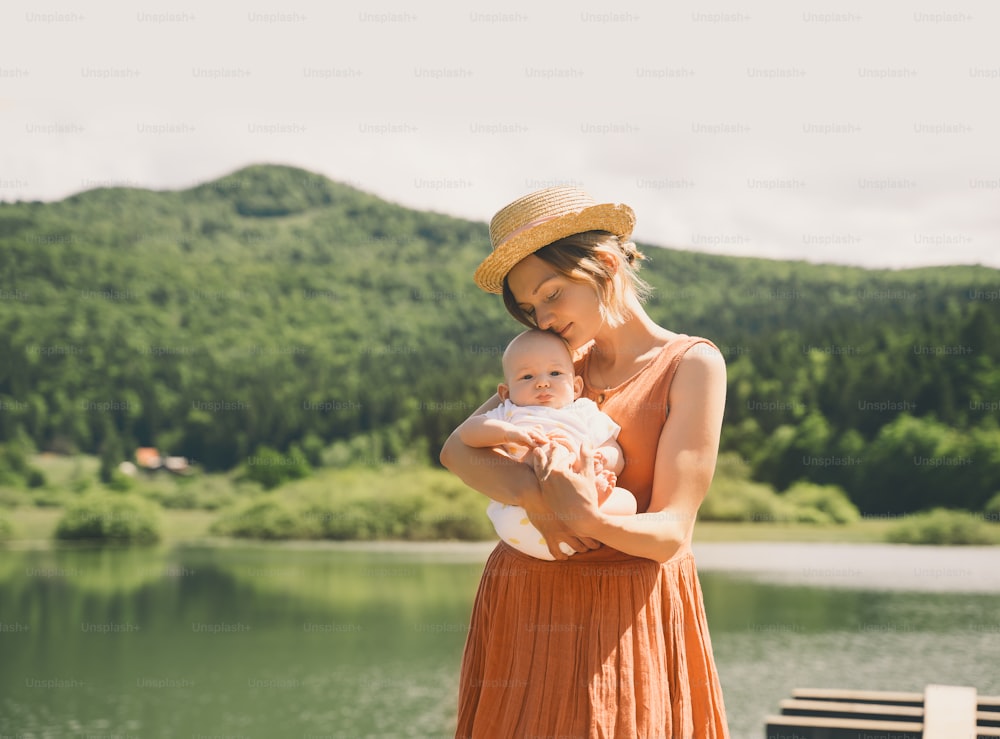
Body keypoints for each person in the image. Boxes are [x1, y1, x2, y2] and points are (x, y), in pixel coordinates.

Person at [440, 185, 731, 737]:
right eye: (529, 309)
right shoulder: (556, 361)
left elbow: (672, 533)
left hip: (625, 614)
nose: (542, 319)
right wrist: (538, 499)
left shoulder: (691, 363)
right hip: (525, 599)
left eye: (551, 294)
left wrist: (585, 518)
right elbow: (457, 450)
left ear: (602, 262)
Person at [457, 328, 637, 560]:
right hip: (523, 518)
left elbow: (614, 450)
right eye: (527, 377)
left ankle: (591, 501)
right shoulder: (510, 413)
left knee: (628, 502)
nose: (542, 383)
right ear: (505, 393)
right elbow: (468, 433)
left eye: (554, 373)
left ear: (575, 388)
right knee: (537, 460)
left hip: (577, 507)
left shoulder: (583, 411)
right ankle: (578, 497)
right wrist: (508, 433)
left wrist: (601, 458)